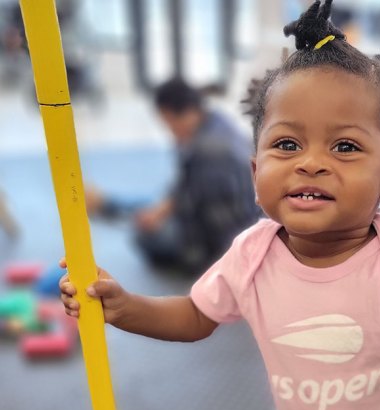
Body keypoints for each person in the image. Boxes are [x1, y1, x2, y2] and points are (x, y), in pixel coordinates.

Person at [60, 1, 380, 410]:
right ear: (256, 175)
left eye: (345, 146)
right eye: (287, 145)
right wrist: (124, 306)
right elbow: (195, 315)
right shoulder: (252, 253)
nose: (309, 163)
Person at [87, 77, 260, 275]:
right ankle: (106, 203)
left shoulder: (207, 151)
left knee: (144, 234)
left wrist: (156, 217)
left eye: (168, 123)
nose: (169, 132)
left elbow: (206, 218)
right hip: (231, 216)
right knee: (153, 206)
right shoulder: (215, 122)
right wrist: (161, 210)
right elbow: (183, 190)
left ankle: (106, 204)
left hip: (220, 239)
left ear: (172, 114)